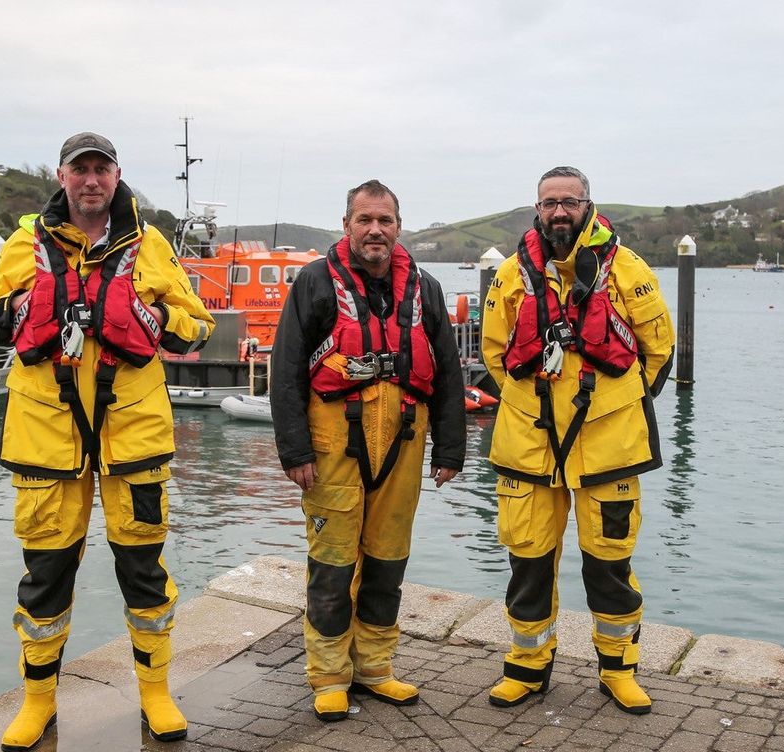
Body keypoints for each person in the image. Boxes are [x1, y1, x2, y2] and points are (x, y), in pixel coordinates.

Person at [0, 132, 214, 752]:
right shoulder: (26, 245)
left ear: (116, 175)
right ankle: (37, 703)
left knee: (144, 573)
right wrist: (17, 310)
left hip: (133, 438)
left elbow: (197, 326)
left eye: (101, 169)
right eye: (81, 170)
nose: (91, 180)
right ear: (62, 176)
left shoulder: (150, 244)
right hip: (45, 437)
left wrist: (155, 319)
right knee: (45, 578)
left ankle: (156, 693)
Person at [481, 166, 675, 715]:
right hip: (530, 443)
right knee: (528, 561)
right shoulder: (513, 275)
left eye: (569, 201)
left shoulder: (627, 267)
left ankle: (619, 671)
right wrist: (527, 406)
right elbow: (496, 354)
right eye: (550, 203)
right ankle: (526, 668)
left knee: (610, 564)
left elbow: (659, 350)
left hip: (608, 445)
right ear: (536, 208)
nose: (559, 211)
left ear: (588, 204)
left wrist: (618, 409)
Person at [270, 179, 466, 722]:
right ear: (347, 226)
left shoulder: (424, 288)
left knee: (387, 560)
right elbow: (285, 371)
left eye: (384, 220)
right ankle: (330, 675)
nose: (375, 230)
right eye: (364, 220)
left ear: (398, 227)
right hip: (333, 445)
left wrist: (450, 447)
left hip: (404, 442)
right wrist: (295, 451)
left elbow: (447, 369)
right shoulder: (314, 282)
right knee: (332, 565)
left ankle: (376, 668)